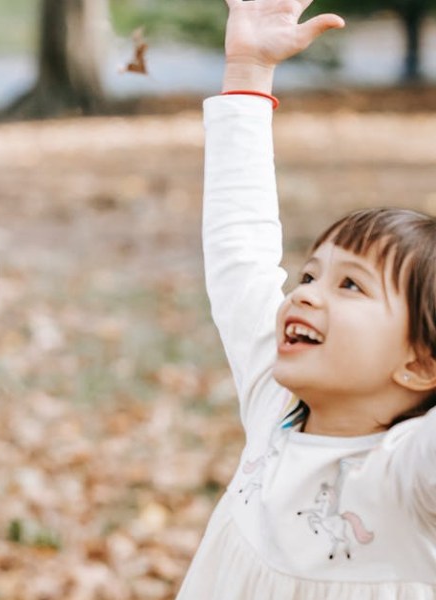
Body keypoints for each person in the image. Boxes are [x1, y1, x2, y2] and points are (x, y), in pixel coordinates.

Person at [179, 0, 436, 597]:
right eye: (311, 275)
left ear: (421, 363)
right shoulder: (273, 400)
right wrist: (246, 72)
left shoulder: (410, 474)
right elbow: (239, 250)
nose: (309, 295)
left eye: (351, 285)